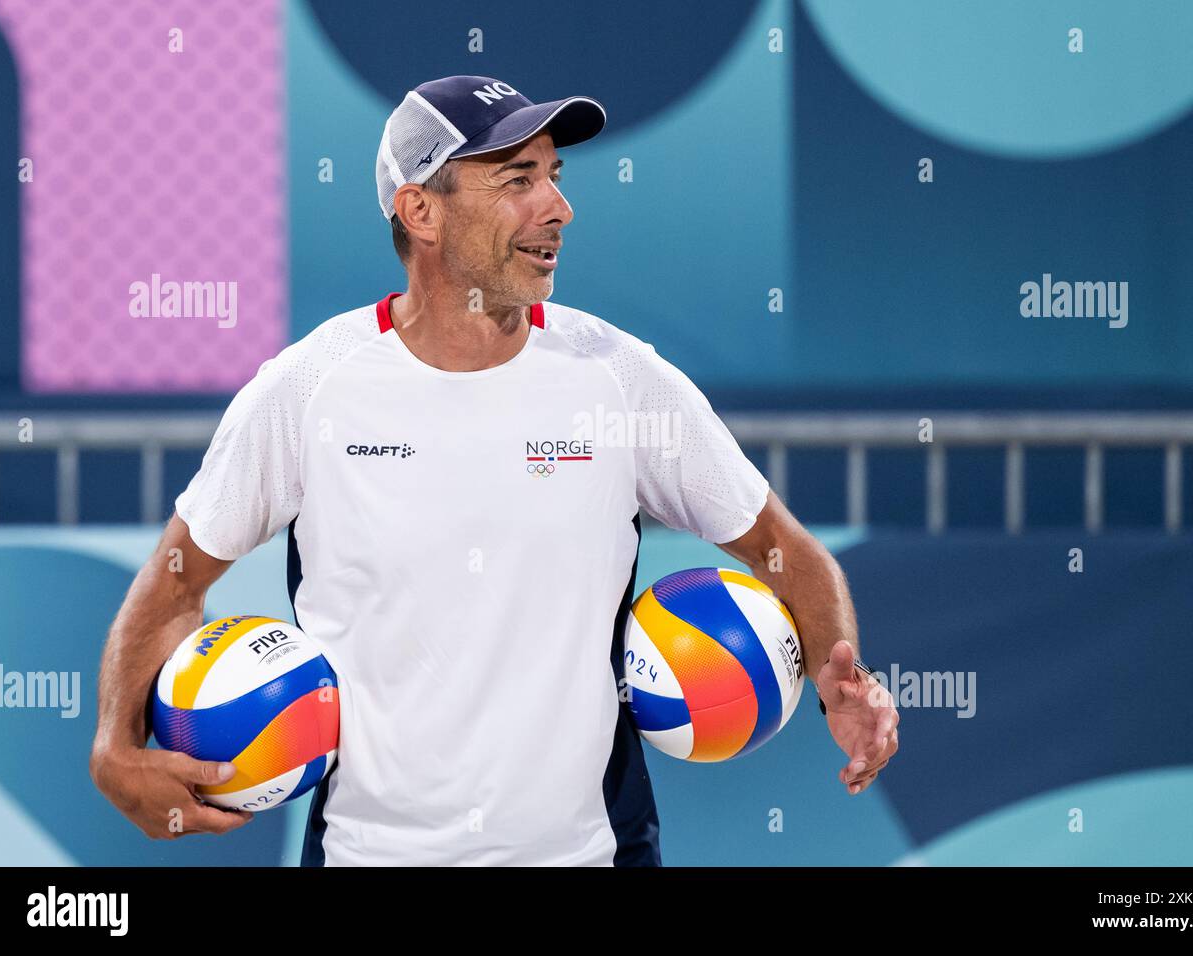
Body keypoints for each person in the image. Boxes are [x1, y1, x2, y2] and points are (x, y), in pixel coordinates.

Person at [89, 75, 899, 866]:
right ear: (420, 210)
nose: (557, 207)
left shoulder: (618, 376)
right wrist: (114, 750)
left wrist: (843, 685)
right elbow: (175, 584)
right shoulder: (307, 389)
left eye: (553, 176)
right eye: (518, 179)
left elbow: (782, 550)